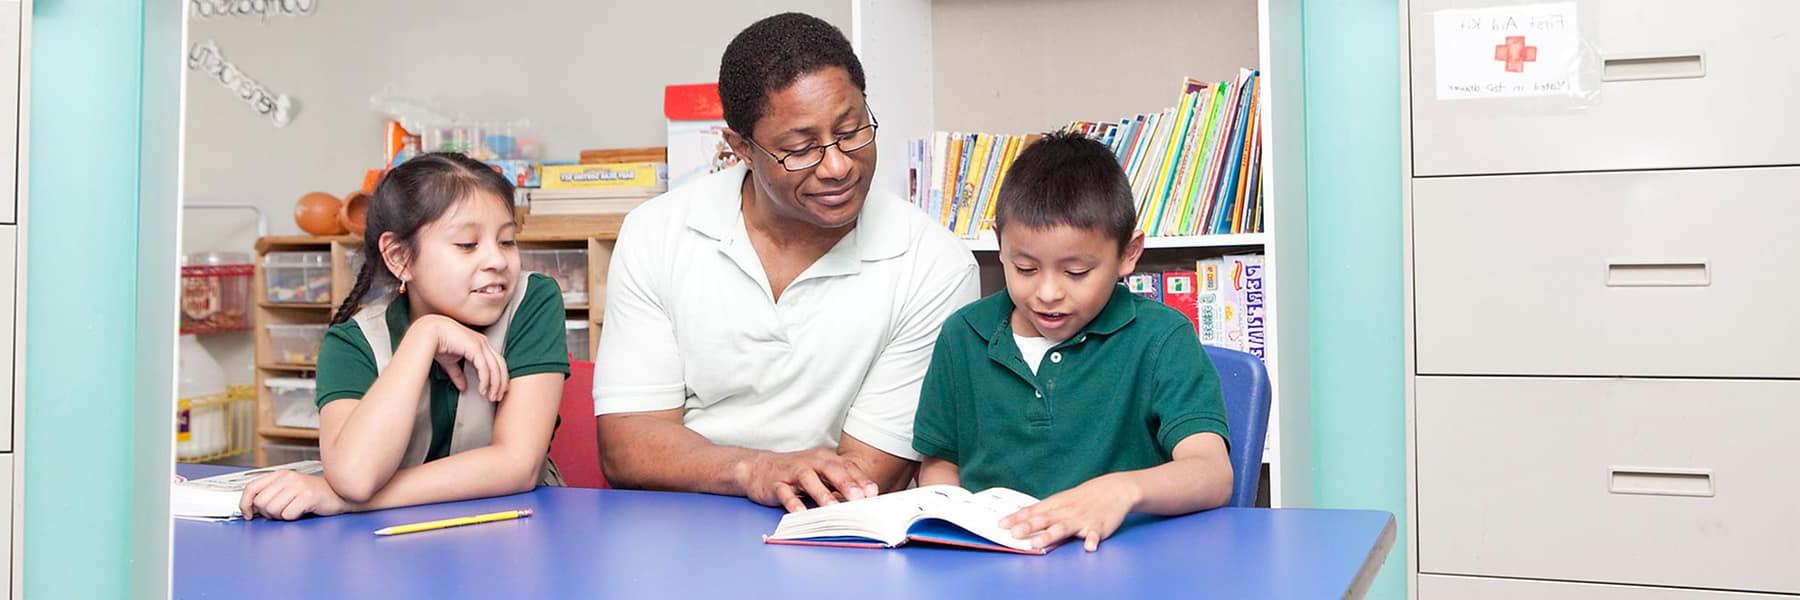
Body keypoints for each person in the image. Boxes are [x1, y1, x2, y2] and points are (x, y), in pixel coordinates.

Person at [593, 12, 978, 512]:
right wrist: (752, 469)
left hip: (836, 533)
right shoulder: (657, 233)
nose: (838, 166)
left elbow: (864, 477)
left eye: (852, 130)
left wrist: (749, 471)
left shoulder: (934, 264)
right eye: (799, 149)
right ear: (741, 149)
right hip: (678, 519)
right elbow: (627, 446)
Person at [912, 132, 1233, 551]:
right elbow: (940, 463)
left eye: (1076, 272)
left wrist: (1121, 491)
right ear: (1000, 246)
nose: (1047, 292)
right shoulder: (963, 335)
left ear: (1128, 254)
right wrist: (954, 522)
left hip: (1122, 565)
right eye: (1025, 268)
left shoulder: (1161, 337)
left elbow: (1212, 472)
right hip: (995, 563)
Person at [239, 152, 569, 520]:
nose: (497, 260)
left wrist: (346, 502)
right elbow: (354, 477)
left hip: (520, 529)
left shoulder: (532, 301)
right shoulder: (352, 344)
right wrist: (424, 336)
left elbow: (517, 464)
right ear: (399, 258)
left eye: (507, 241)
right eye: (467, 245)